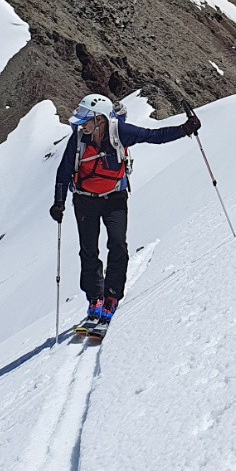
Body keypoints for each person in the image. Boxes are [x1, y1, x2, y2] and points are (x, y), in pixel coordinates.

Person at [51, 93, 199, 332]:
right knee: (88, 251)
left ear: (99, 119)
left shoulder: (119, 131)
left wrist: (185, 129)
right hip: (84, 200)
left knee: (118, 246)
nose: (81, 125)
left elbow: (154, 137)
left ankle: (111, 297)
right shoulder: (78, 139)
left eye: (86, 120)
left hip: (115, 200)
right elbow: (64, 171)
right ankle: (94, 300)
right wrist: (59, 202)